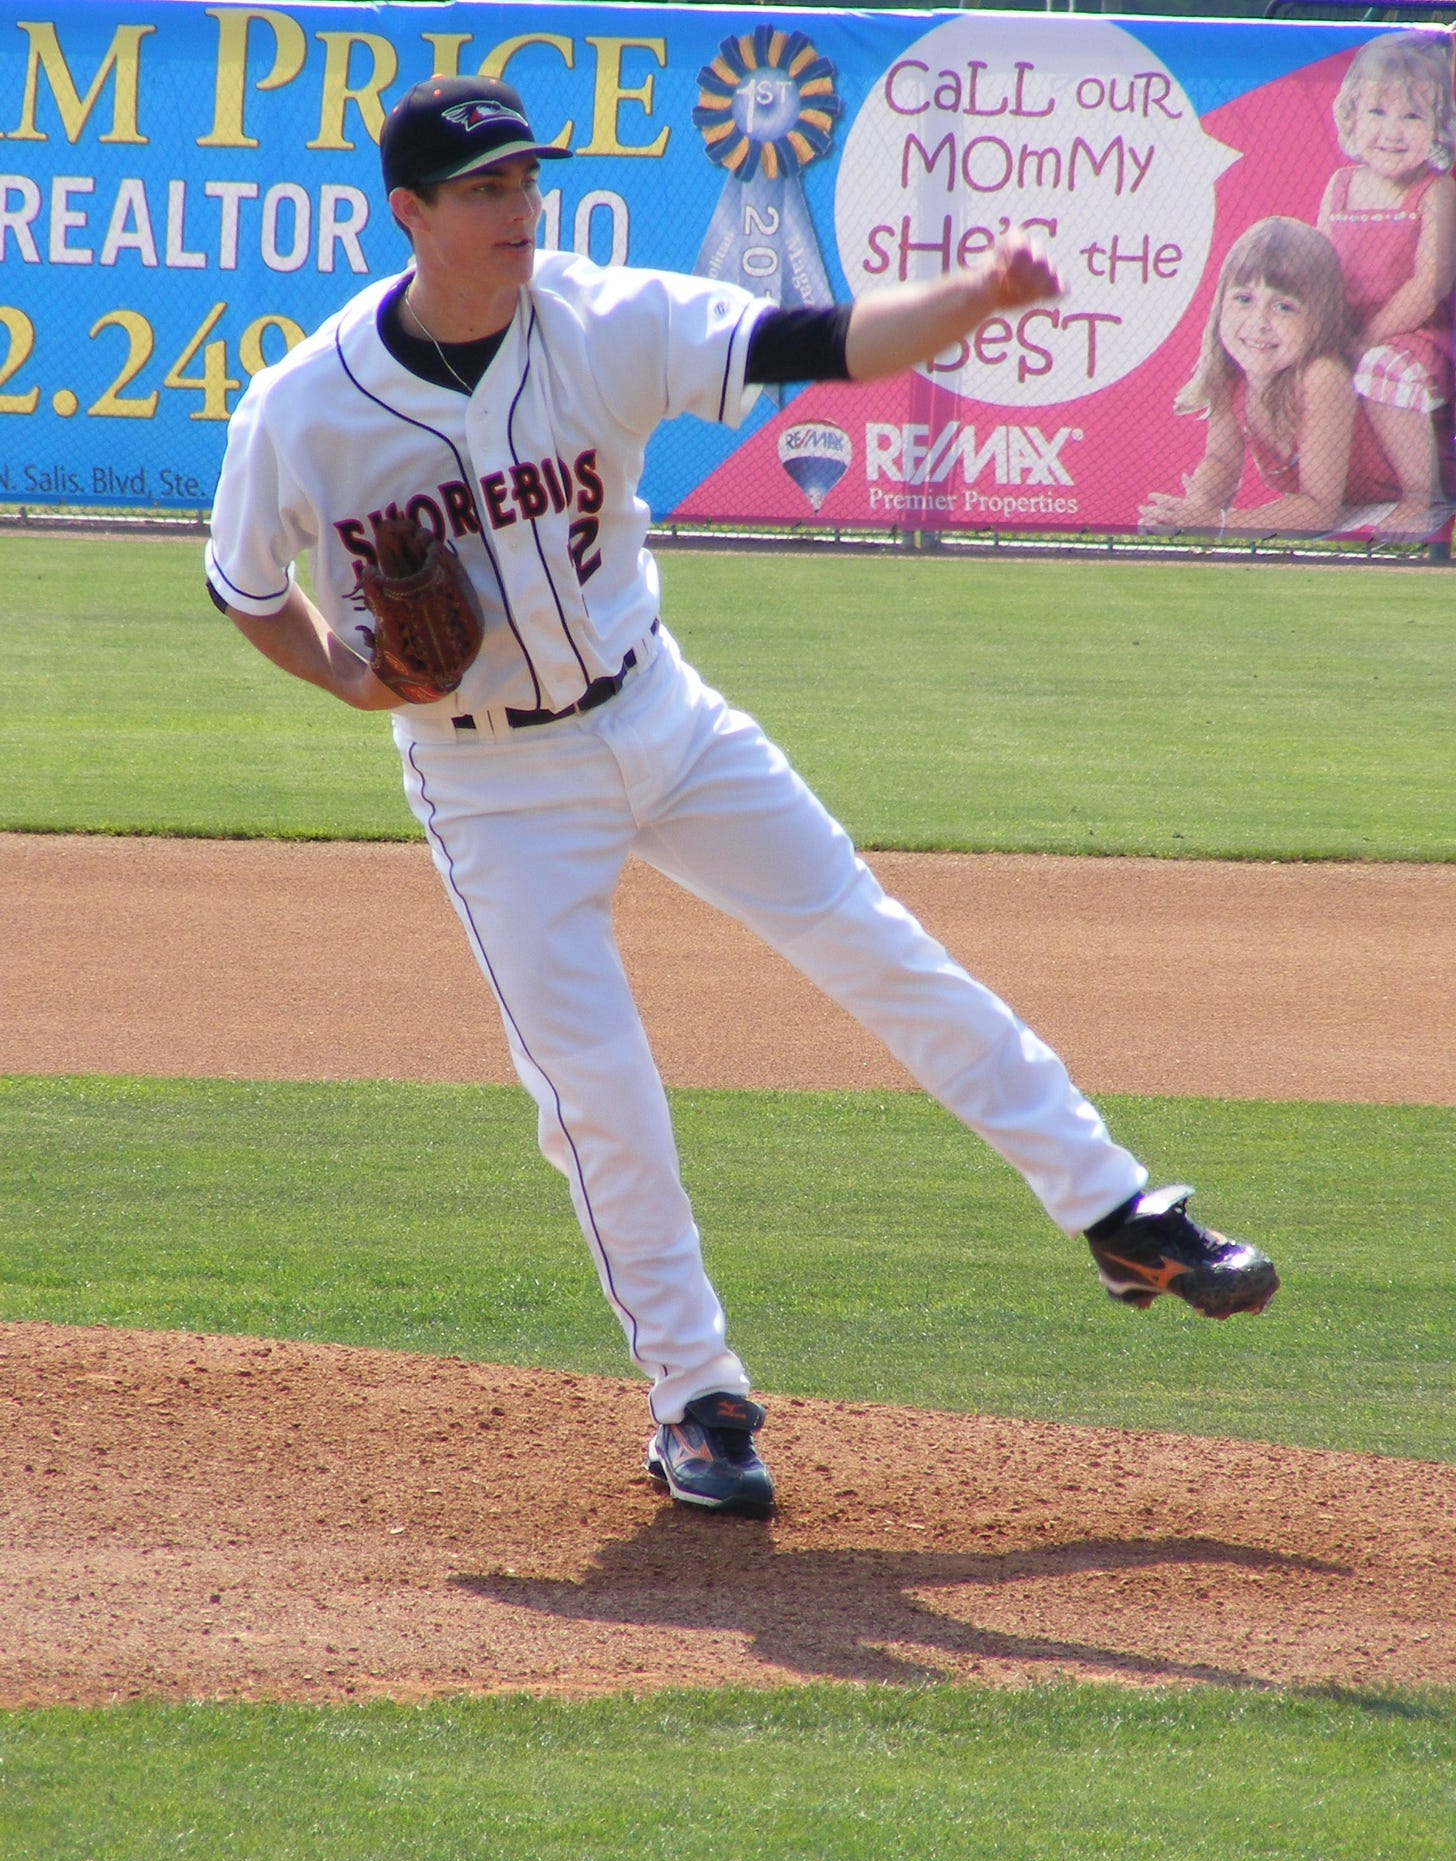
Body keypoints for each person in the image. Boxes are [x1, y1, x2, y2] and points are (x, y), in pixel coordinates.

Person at [207, 75, 1279, 1518]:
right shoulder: (306, 410)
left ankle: (1118, 1210)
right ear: (411, 215)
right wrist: (344, 677)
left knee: (877, 943)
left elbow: (817, 339)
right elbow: (242, 588)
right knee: (600, 1095)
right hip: (493, 780)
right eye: (485, 191)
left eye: (529, 181)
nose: (522, 210)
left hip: (664, 711)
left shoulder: (604, 316)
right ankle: (696, 1401)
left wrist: (966, 298)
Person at [1139, 216, 1388, 539]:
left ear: (1320, 318)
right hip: (1344, 509)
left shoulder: (1321, 376)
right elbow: (1221, 462)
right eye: (1244, 300)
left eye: (1284, 307)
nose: (1259, 323)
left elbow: (1319, 508)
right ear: (1221, 306)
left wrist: (1220, 524)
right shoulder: (1234, 375)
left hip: (1384, 499)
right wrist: (1192, 509)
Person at [1317, 31, 1456, 538]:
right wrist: (1329, 337)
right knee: (1311, 371)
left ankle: (1424, 497)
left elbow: (1430, 285)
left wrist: (1367, 338)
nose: (1392, 131)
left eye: (1412, 116)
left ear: (1437, 127)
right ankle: (1321, 494)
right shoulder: (1341, 185)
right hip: (1348, 329)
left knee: (1382, 368)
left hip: (1417, 339)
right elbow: (1321, 270)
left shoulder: (1435, 193)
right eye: (1377, 112)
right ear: (1352, 116)